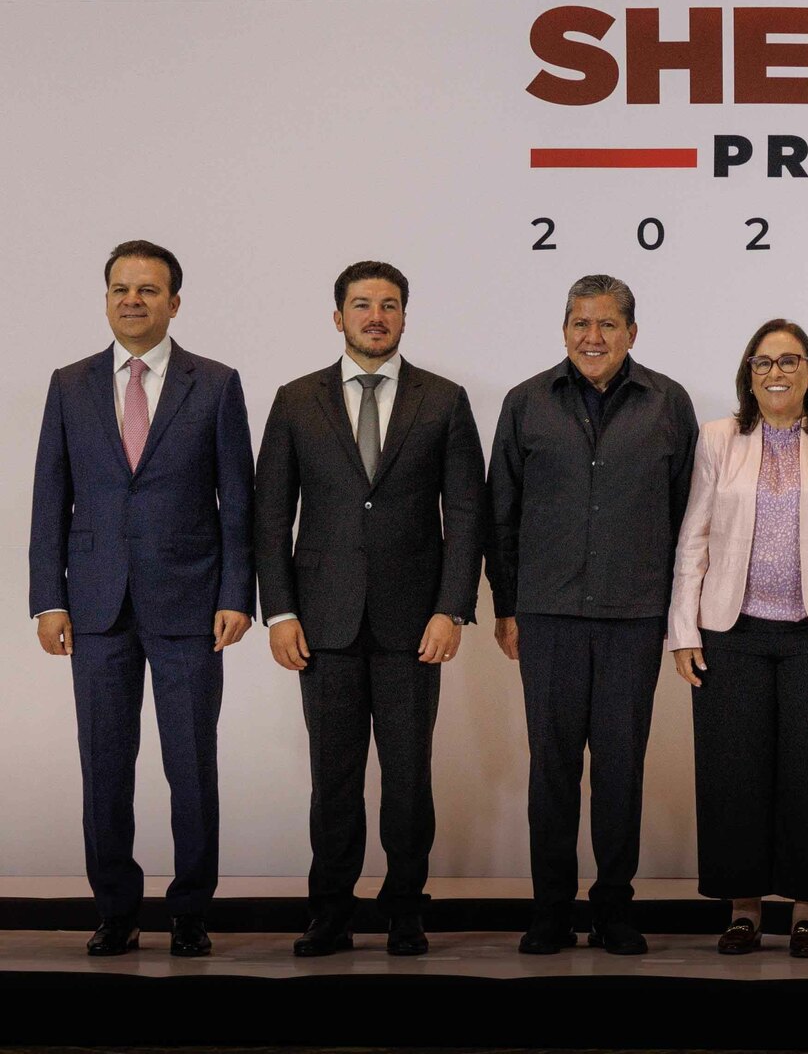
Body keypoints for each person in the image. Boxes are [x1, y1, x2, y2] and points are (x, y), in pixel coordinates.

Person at [253, 261, 486, 957]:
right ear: (338, 317)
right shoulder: (296, 400)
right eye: (362, 305)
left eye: (388, 305)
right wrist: (280, 612)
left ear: (405, 317)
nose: (375, 316)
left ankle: (406, 908)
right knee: (335, 778)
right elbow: (270, 516)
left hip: (415, 624)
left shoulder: (443, 400)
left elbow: (467, 513)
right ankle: (330, 911)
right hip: (321, 623)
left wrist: (453, 608)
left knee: (410, 776)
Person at [29, 240, 254, 957]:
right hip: (93, 605)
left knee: (191, 762)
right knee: (103, 763)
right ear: (105, 300)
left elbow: (238, 505)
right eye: (121, 288)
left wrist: (236, 594)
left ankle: (190, 911)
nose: (134, 299)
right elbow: (48, 498)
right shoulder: (69, 384)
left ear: (174, 302)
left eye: (149, 290)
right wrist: (48, 599)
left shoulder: (214, 384)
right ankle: (116, 911)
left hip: (191, 603)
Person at [487, 274, 697, 955]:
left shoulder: (668, 403)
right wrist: (507, 605)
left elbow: (688, 514)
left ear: (633, 332)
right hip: (545, 614)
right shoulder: (526, 404)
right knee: (551, 766)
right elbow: (502, 514)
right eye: (580, 323)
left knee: (619, 768)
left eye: (607, 324)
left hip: (634, 615)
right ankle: (550, 908)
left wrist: (678, 610)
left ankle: (613, 908)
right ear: (564, 329)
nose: (593, 337)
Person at [668, 319, 808, 958]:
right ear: (749, 374)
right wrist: (683, 629)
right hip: (731, 630)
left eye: (790, 361)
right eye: (763, 363)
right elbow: (694, 538)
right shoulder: (718, 439)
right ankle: (743, 911)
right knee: (735, 771)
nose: (777, 373)